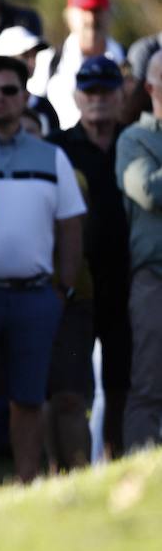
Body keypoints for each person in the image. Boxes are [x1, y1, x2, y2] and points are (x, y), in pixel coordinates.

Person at [0, 56, 85, 483]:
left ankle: (27, 482)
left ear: (24, 95)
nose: (0, 99)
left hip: (35, 295)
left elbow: (70, 225)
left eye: (9, 90)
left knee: (28, 397)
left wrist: (62, 288)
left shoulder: (52, 156)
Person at [49, 56, 131, 460]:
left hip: (127, 286)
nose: (98, 99)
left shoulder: (135, 143)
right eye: (90, 91)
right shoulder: (59, 149)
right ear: (77, 97)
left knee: (122, 389)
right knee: (67, 393)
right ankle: (67, 477)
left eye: (106, 91)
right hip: (74, 286)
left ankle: (116, 473)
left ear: (121, 96)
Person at [118, 51, 162, 451]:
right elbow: (150, 191)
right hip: (155, 279)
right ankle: (143, 474)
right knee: (149, 383)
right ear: (150, 88)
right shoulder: (134, 139)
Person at [34, 0, 126, 130]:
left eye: (97, 10)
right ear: (69, 16)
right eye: (84, 11)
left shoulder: (128, 59)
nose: (91, 19)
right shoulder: (48, 61)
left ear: (108, 14)